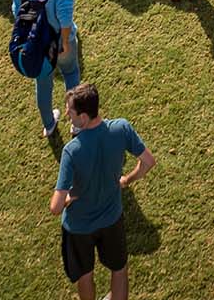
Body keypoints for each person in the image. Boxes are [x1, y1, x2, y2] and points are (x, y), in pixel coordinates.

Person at [52, 83, 155, 300]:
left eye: (70, 112)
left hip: (79, 228)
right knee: (119, 269)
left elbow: (55, 206)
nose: (68, 116)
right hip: (111, 219)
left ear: (84, 117)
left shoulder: (72, 151)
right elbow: (147, 161)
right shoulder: (121, 129)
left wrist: (70, 197)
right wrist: (127, 179)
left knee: (85, 275)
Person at [14, 0, 83, 137]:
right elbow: (65, 21)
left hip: (36, 46)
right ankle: (77, 123)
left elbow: (16, 12)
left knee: (42, 84)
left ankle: (49, 124)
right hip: (61, 43)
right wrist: (66, 44)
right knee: (71, 75)